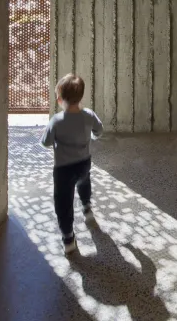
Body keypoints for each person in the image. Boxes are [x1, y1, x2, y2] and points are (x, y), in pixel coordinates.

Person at [41, 73, 103, 254]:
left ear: (59, 99)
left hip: (63, 169)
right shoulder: (89, 115)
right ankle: (87, 207)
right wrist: (91, 136)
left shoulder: (56, 121)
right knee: (84, 182)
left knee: (63, 202)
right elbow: (98, 131)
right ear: (81, 96)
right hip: (84, 162)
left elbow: (45, 142)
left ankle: (68, 238)